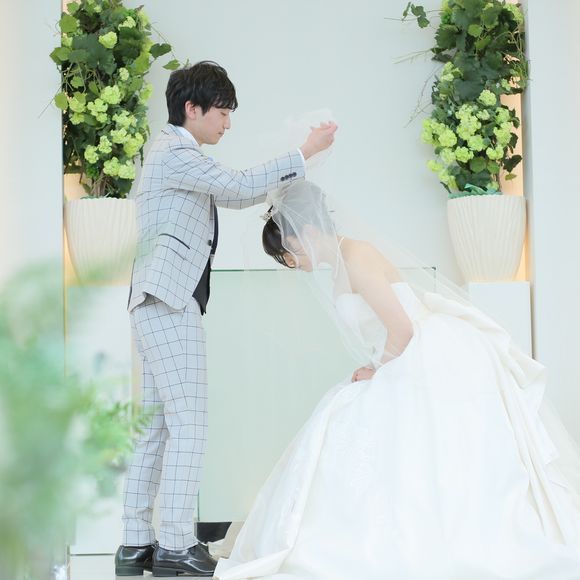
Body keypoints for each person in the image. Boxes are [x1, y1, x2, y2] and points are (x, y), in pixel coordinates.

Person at [214, 181, 580, 580]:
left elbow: (402, 329)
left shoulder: (357, 257)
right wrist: (376, 365)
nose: (290, 261)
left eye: (288, 250)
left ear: (308, 231)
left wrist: (378, 369)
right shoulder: (343, 260)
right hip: (403, 355)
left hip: (426, 355)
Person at [114, 62, 337, 577]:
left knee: (156, 427)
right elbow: (237, 186)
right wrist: (304, 152)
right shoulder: (176, 153)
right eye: (222, 112)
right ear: (191, 109)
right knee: (188, 425)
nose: (228, 124)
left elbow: (237, 191)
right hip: (169, 301)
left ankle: (135, 543)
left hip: (155, 299)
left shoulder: (174, 155)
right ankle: (175, 545)